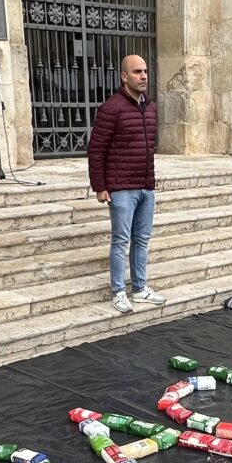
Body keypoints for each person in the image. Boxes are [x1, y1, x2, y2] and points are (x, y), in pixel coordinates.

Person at [87, 52, 164, 314]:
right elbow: (96, 149)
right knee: (121, 241)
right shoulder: (111, 108)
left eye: (144, 71)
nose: (143, 76)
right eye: (136, 72)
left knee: (142, 239)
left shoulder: (151, 106)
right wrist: (100, 186)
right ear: (124, 76)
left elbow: (149, 147)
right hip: (121, 188)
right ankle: (119, 291)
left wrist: (150, 183)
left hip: (145, 186)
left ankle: (140, 288)